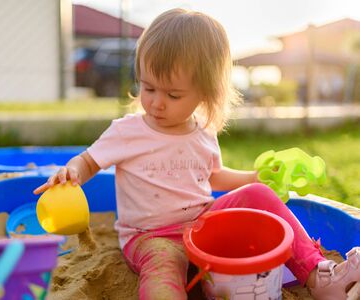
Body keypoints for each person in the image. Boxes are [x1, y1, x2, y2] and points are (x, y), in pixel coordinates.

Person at [34, 8, 359, 300]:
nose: (156, 102)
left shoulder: (201, 132)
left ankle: (318, 275)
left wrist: (253, 178)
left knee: (259, 194)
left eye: (173, 94)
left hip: (203, 225)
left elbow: (213, 176)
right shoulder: (128, 131)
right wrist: (73, 171)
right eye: (148, 88)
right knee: (163, 270)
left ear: (205, 93)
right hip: (151, 237)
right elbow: (89, 161)